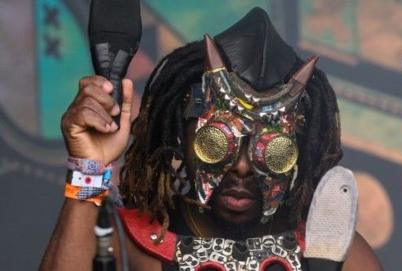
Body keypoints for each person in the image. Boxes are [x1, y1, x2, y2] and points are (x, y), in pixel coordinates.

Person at [40, 7, 382, 271]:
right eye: (218, 141)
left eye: (271, 149)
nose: (243, 167)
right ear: (182, 133)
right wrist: (89, 168)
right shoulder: (131, 244)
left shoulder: (332, 249)